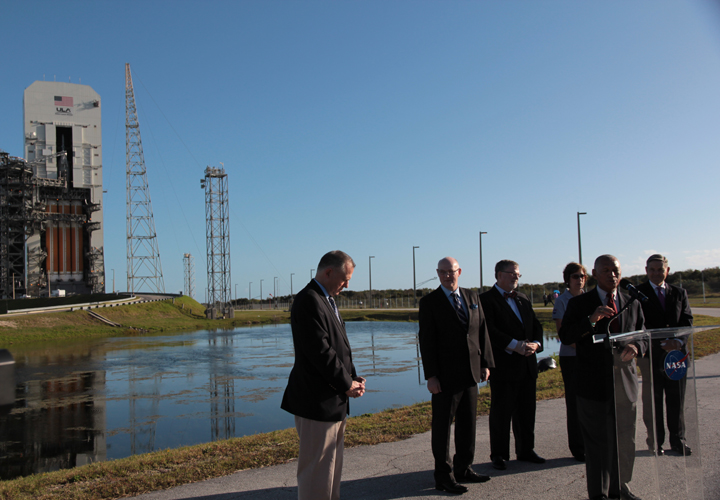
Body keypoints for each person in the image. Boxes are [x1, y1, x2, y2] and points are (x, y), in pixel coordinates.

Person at [280, 250, 366, 500]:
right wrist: (346, 382)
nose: (347, 285)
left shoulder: (326, 298)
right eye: (344, 279)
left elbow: (340, 347)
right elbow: (320, 351)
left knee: (330, 470)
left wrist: (353, 378)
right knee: (316, 472)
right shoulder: (309, 299)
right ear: (328, 272)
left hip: (334, 399)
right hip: (316, 402)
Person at [559, 255, 645, 500]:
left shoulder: (632, 302)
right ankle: (600, 494)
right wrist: (591, 320)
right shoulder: (580, 303)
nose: (612, 275)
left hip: (625, 384)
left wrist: (638, 347)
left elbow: (642, 334)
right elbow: (565, 336)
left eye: (615, 270)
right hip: (593, 385)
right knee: (598, 446)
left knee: (624, 441)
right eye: (606, 270)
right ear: (595, 274)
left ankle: (621, 488)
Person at [418, 257, 495, 495]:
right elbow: (427, 341)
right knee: (442, 428)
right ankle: (443, 475)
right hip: (445, 377)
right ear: (438, 274)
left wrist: (485, 363)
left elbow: (482, 330)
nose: (446, 276)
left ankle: (464, 468)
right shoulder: (430, 302)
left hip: (471, 372)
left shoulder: (473, 297)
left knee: (468, 425)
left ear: (459, 271)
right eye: (442, 272)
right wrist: (431, 376)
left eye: (450, 272)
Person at [480, 259, 545, 471]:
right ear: (499, 275)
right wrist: (515, 345)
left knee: (527, 411)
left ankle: (526, 450)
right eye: (512, 273)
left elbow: (536, 326)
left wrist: (536, 344)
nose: (516, 277)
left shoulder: (523, 299)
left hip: (527, 365)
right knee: (501, 412)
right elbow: (488, 330)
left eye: (518, 274)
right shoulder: (486, 300)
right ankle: (499, 454)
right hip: (504, 366)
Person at [636, 254, 693, 456]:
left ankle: (678, 441)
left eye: (660, 269)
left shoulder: (679, 293)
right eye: (652, 269)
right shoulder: (638, 294)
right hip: (651, 357)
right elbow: (638, 325)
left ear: (667, 271)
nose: (656, 273)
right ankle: (655, 442)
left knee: (676, 400)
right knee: (654, 401)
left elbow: (687, 322)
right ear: (646, 270)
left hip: (676, 357)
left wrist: (677, 343)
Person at [552, 262, 587, 462]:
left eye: (582, 276)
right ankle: (577, 447)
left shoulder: (589, 299)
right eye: (575, 276)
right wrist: (584, 348)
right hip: (571, 357)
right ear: (568, 279)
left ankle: (592, 442)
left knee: (590, 402)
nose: (579, 279)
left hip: (589, 357)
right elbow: (563, 332)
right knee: (574, 404)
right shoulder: (561, 301)